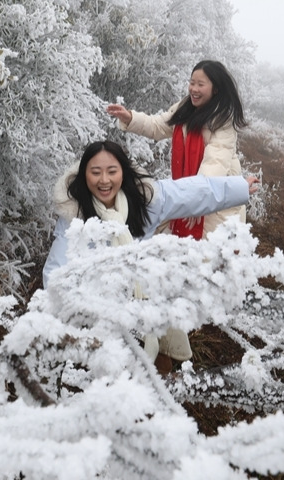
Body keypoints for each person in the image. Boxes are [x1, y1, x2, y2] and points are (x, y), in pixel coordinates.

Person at [42, 140, 259, 371]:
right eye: (95, 173)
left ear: (123, 173)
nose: (104, 181)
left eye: (112, 171)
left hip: (145, 296)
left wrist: (238, 188)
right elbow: (57, 272)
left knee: (158, 352)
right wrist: (55, 317)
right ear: (85, 176)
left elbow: (192, 192)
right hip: (104, 307)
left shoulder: (144, 198)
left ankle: (163, 373)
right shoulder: (74, 215)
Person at [106, 59, 248, 240]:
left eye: (200, 84)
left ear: (216, 89)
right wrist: (130, 118)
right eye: (192, 83)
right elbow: (158, 126)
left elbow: (215, 164)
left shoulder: (222, 120)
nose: (194, 89)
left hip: (216, 204)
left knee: (208, 258)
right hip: (192, 193)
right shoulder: (185, 109)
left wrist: (197, 202)